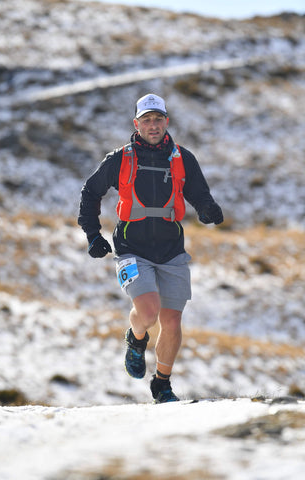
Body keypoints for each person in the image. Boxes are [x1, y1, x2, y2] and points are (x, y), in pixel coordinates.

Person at [78, 93, 223, 403]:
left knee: (171, 321)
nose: (153, 125)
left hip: (172, 248)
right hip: (132, 246)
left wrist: (209, 209)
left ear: (166, 122)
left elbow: (199, 193)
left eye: (158, 119)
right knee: (148, 311)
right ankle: (136, 337)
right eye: (147, 120)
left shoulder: (184, 158)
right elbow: (90, 193)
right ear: (137, 124)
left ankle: (162, 383)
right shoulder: (120, 158)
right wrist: (93, 234)